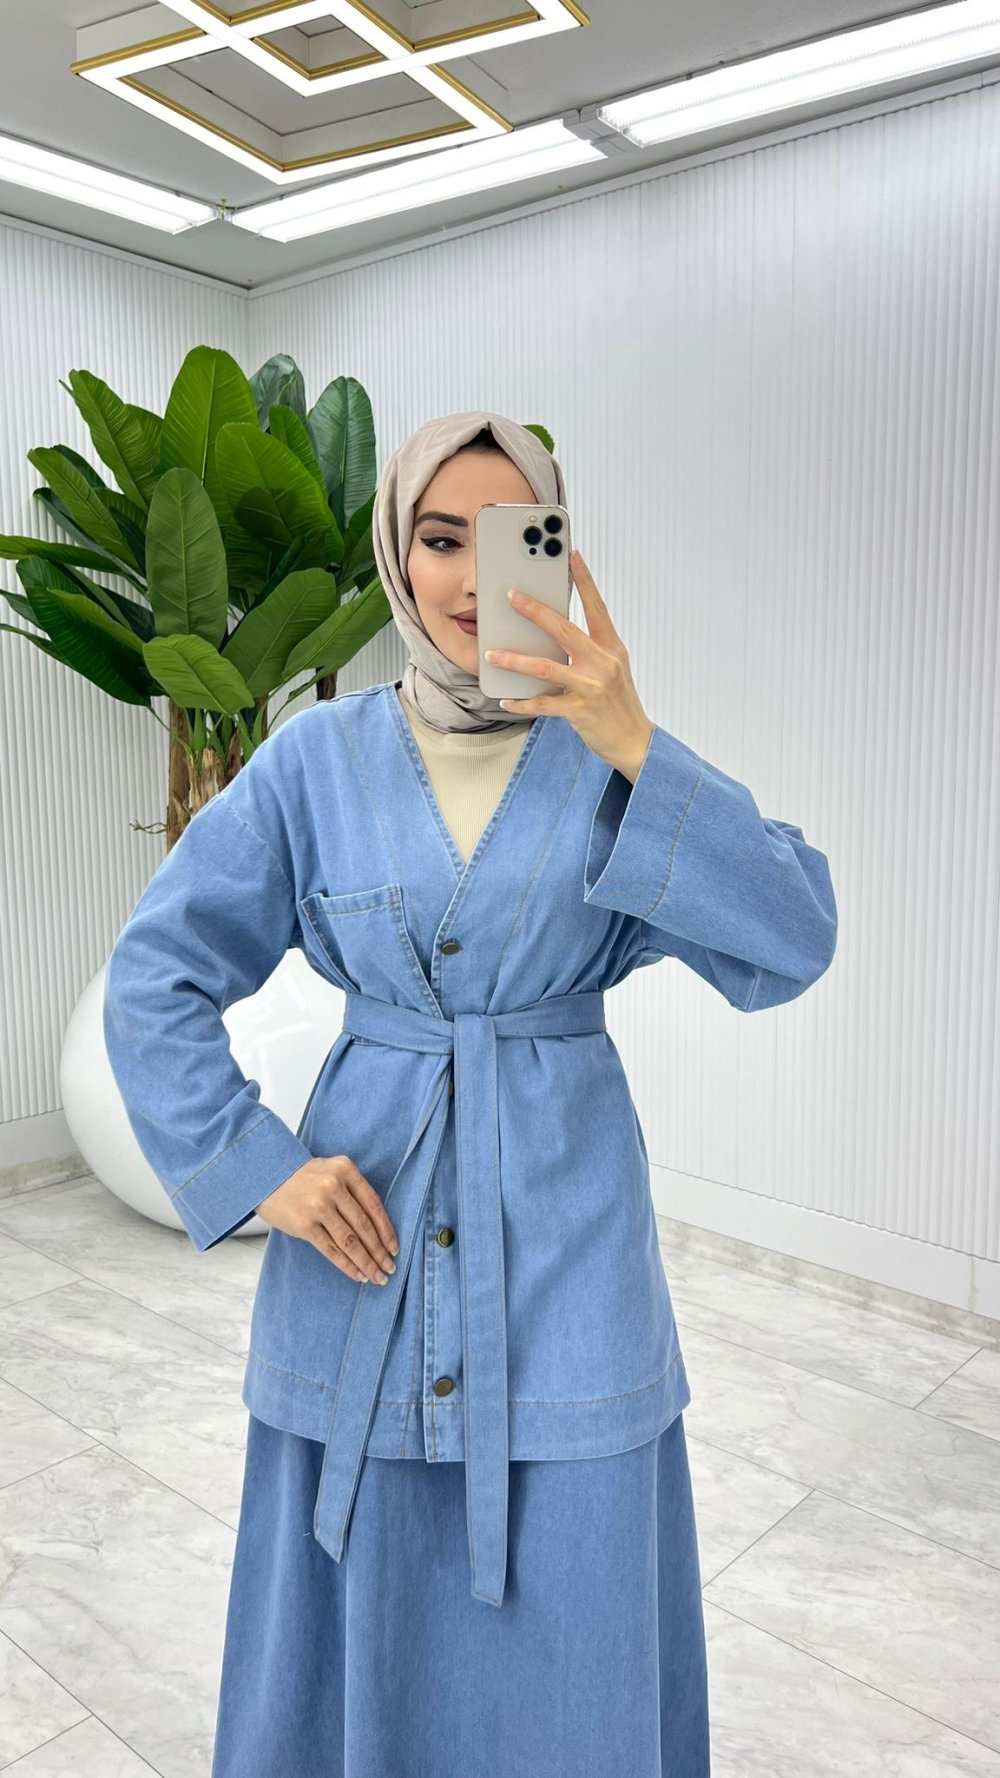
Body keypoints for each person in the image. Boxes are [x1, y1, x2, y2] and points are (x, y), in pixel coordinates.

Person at [103, 410, 838, 1777]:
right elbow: (154, 977)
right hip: (361, 1269)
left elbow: (795, 937)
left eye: (511, 538)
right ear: (399, 553)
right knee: (353, 1621)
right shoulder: (313, 763)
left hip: (574, 1274)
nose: (468, 576)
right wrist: (257, 1164)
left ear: (557, 554)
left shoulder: (608, 766)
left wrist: (638, 741)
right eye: (440, 538)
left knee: (579, 1610)